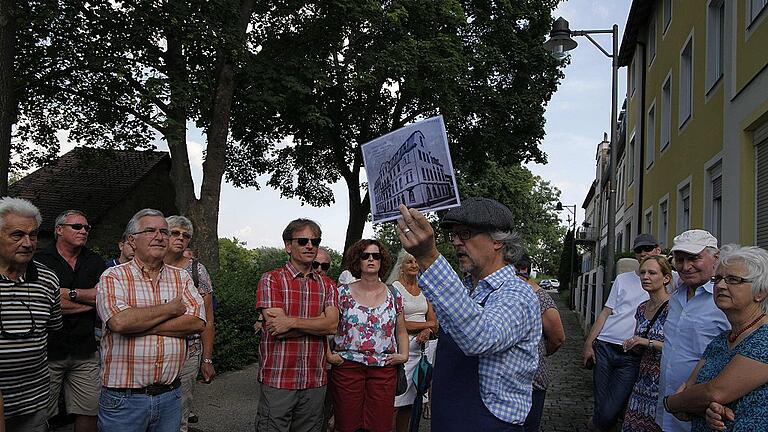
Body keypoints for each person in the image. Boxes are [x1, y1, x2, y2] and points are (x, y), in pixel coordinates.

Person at [396, 198, 541, 431]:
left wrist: (428, 256)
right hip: (449, 418)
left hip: (489, 425)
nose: (455, 242)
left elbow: (480, 337)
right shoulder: (465, 292)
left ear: (497, 240)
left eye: (465, 233)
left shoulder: (517, 293)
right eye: (453, 235)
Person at [96, 208, 206, 431]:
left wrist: (140, 323)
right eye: (150, 230)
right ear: (131, 241)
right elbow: (119, 323)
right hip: (125, 401)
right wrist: (170, 309)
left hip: (170, 397)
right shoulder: (113, 276)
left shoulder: (182, 277)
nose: (160, 236)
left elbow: (197, 322)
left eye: (164, 232)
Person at [665, 245, 768, 431]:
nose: (720, 285)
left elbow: (714, 391)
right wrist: (706, 409)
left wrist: (671, 403)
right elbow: (691, 390)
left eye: (733, 280)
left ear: (760, 292)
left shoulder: (764, 338)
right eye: (718, 278)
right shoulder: (721, 340)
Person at [256, 219, 339, 432]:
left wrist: (291, 321)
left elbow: (332, 325)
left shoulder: (328, 285)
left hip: (315, 379)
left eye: (315, 241)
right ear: (288, 246)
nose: (310, 245)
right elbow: (277, 329)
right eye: (303, 241)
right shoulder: (270, 280)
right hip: (279, 378)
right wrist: (317, 323)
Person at [582, 234, 663, 431]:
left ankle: (595, 425)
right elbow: (605, 313)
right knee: (601, 406)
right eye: (639, 250)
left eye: (648, 248)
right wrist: (588, 344)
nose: (643, 253)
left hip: (631, 353)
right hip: (605, 346)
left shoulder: (667, 278)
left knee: (610, 410)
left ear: (658, 250)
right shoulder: (623, 279)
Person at [35, 210, 106, 432]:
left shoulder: (94, 261)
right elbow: (44, 304)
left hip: (84, 351)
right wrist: (89, 300)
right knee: (40, 415)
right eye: (77, 226)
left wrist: (69, 294)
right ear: (59, 230)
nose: (83, 231)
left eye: (86, 228)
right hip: (47, 352)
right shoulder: (38, 261)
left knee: (89, 410)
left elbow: (105, 298)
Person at [327, 239, 408, 432]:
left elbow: (401, 329)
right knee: (346, 425)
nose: (371, 259)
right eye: (365, 256)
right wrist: (329, 356)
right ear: (357, 260)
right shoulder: (341, 293)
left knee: (380, 425)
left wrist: (403, 355)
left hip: (383, 367)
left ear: (382, 260)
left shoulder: (394, 294)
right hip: (348, 366)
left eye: (376, 256)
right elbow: (327, 325)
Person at [655, 230, 729, 432]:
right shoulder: (678, 291)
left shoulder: (725, 299)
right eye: (680, 260)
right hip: (668, 402)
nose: (686, 267)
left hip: (705, 411)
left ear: (716, 258)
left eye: (694, 258)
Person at [0, 197, 63, 431]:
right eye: (17, 235)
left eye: (33, 235)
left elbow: (53, 328)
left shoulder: (48, 279)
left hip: (33, 402)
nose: (28, 243)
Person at [163, 215, 216, 432]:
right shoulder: (148, 265)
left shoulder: (197, 271)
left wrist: (207, 358)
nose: (180, 238)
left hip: (189, 351)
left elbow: (208, 319)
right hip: (154, 350)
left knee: (180, 413)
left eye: (186, 236)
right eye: (175, 233)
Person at [387, 249, 439, 432]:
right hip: (401, 349)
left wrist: (427, 328)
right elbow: (396, 322)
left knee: (411, 402)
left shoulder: (424, 288)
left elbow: (435, 322)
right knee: (393, 401)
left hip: (421, 351)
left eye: (416, 262)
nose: (414, 265)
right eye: (410, 262)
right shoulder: (394, 289)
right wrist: (425, 325)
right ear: (401, 265)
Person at [620, 256, 673, 432]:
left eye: (652, 273)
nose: (645, 277)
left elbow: (679, 348)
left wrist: (648, 342)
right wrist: (633, 344)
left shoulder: (674, 307)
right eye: (642, 273)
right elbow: (639, 338)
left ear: (666, 278)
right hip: (642, 381)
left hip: (664, 382)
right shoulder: (642, 308)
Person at [515, 255, 565, 432]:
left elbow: (557, 339)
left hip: (532, 380)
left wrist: (539, 352)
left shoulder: (541, 298)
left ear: (524, 272)